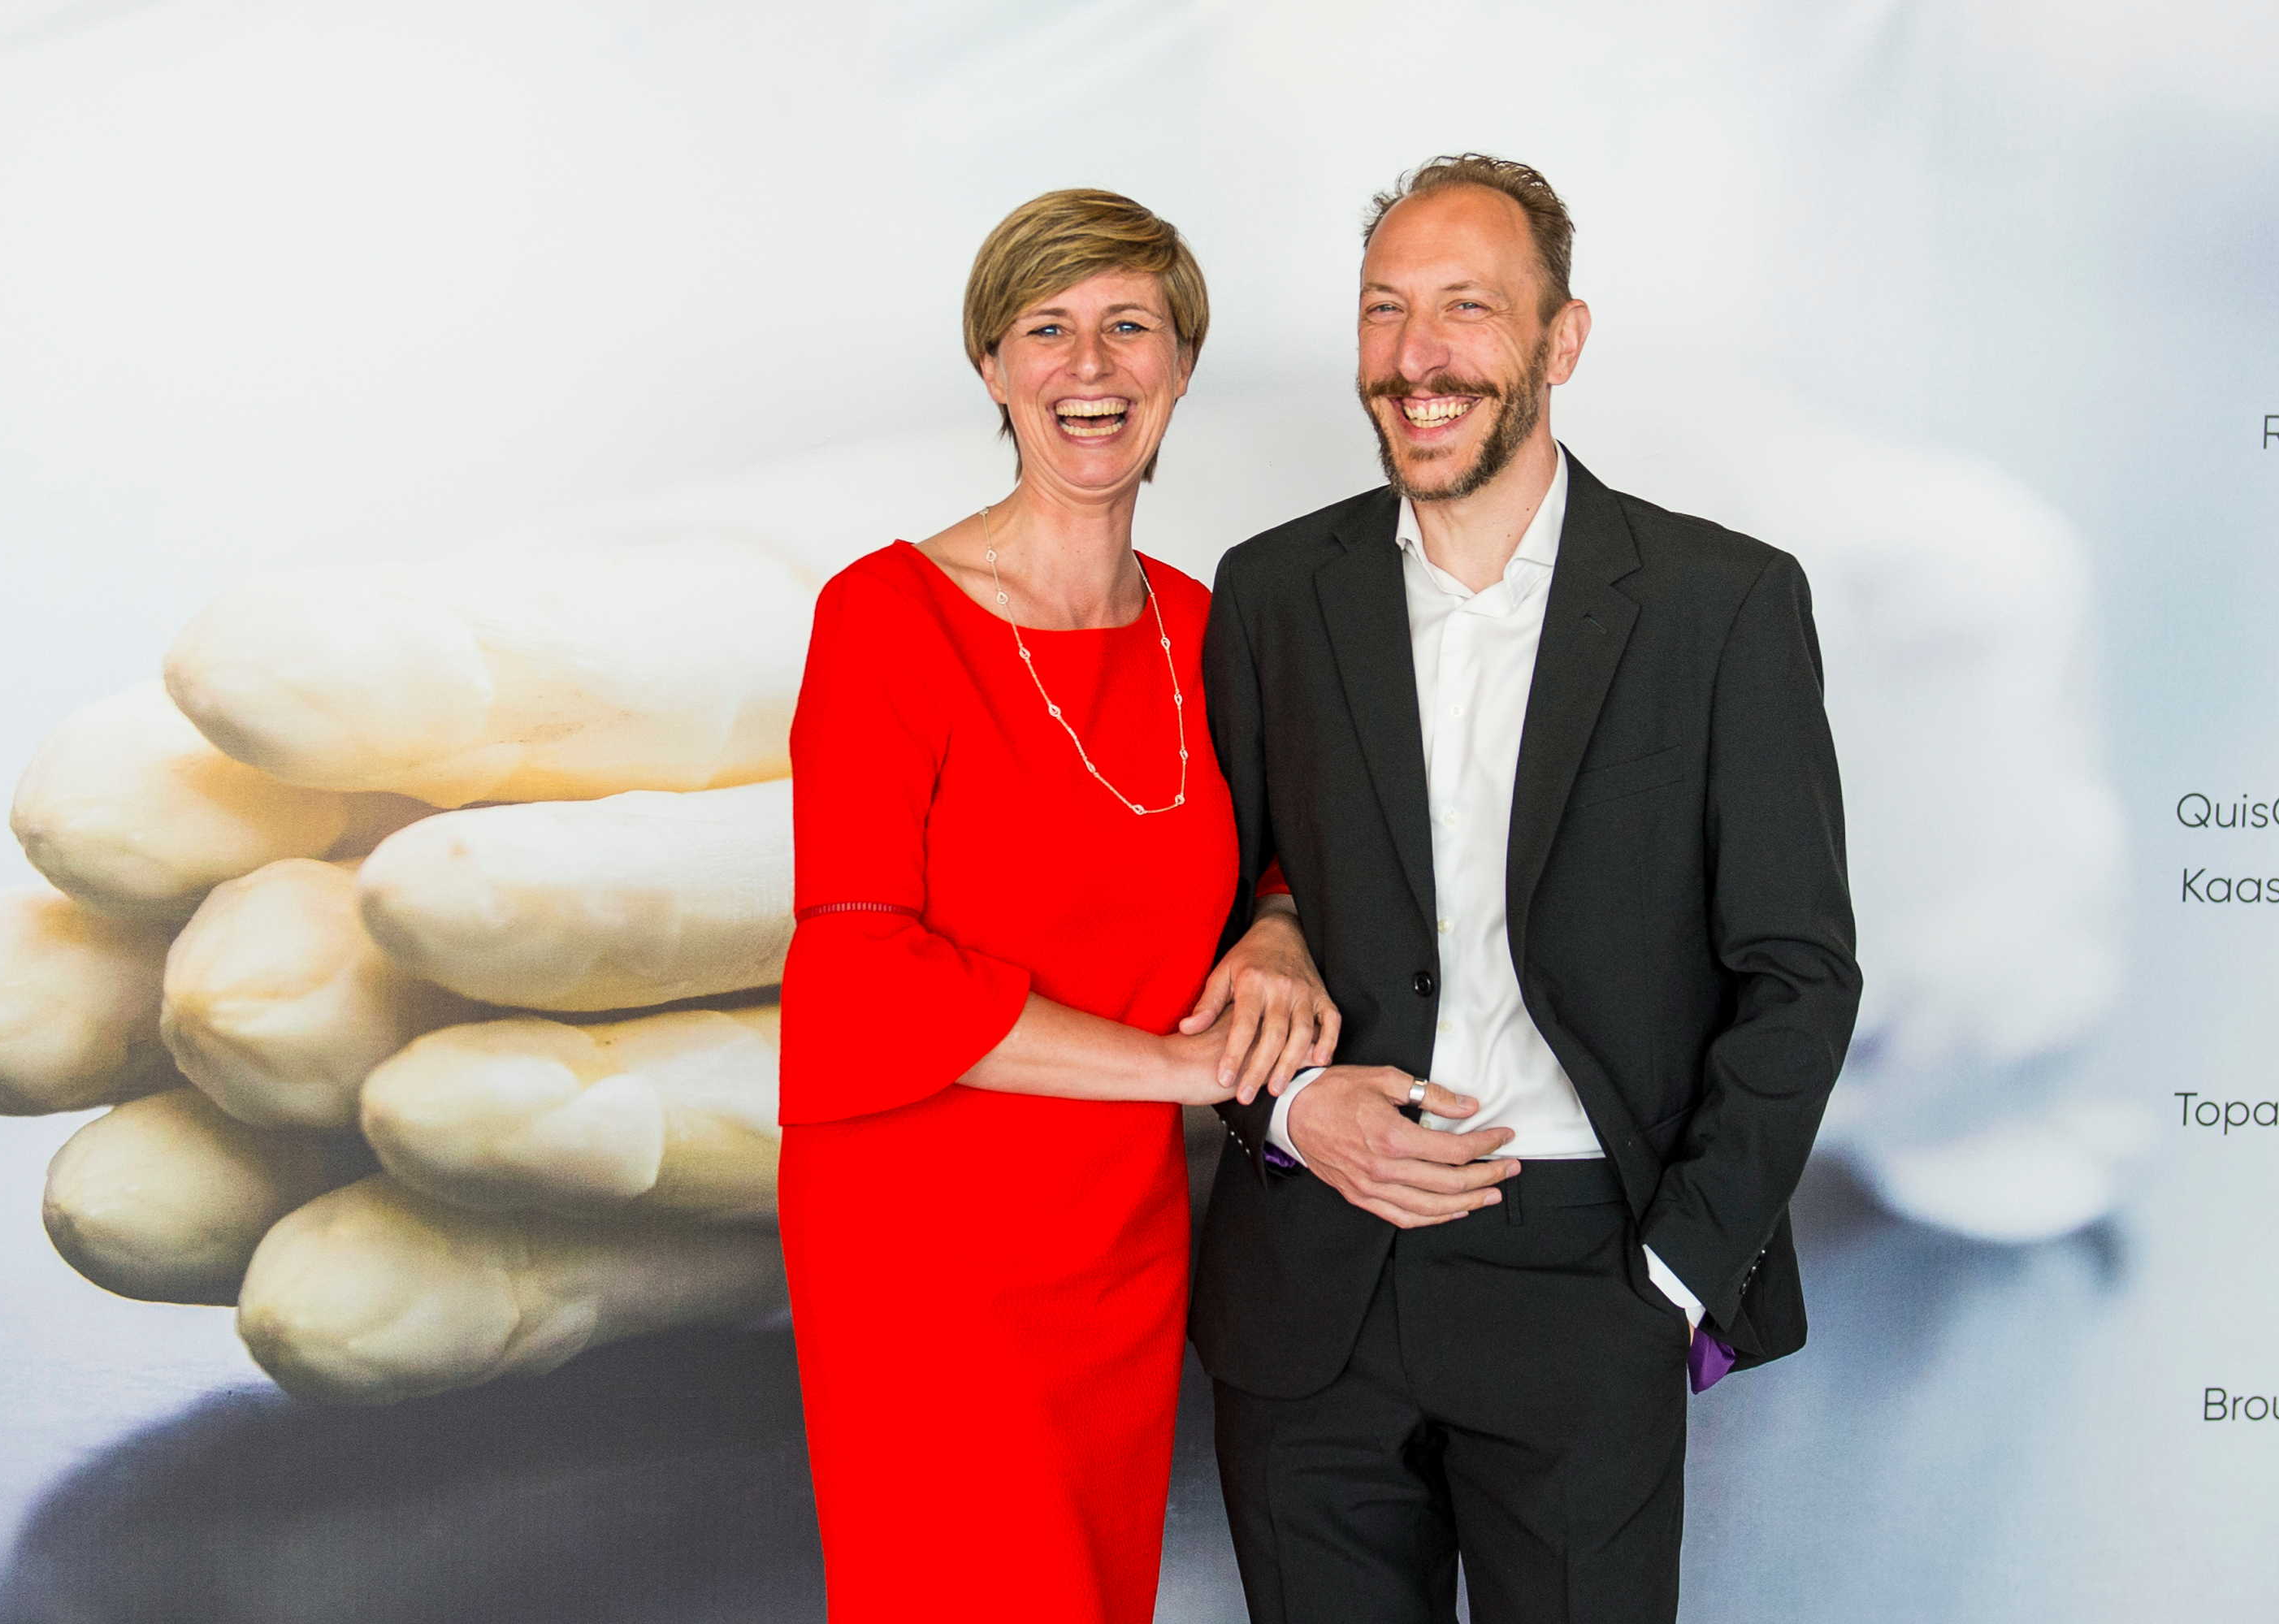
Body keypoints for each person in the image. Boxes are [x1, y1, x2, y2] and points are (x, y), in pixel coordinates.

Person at [1191, 155, 1864, 1622]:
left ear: (1562, 341)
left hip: (1589, 1276)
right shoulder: (1270, 594)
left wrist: (1674, 1272)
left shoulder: (1723, 605)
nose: (1416, 357)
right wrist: (1291, 1109)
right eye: (1385, 309)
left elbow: (1798, 972)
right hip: (1313, 1278)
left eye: (1467, 308)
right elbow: (1210, 916)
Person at [777, 189, 1337, 1623]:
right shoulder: (885, 618)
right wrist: (1183, 1070)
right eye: (1047, 329)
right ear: (993, 368)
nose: (1090, 367)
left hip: (1119, 1240)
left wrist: (1277, 927)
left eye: (1129, 326)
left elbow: (1276, 853)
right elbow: (860, 971)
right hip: (921, 1242)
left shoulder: (1209, 629)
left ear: (1182, 367)